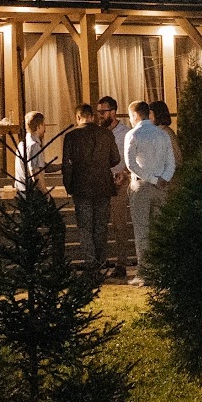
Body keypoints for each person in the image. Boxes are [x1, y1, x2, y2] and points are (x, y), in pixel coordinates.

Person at [59, 103, 122, 278]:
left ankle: (91, 262)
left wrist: (68, 185)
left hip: (81, 187)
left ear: (78, 117)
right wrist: (102, 165)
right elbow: (116, 159)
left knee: (85, 226)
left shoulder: (71, 136)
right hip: (103, 186)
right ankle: (101, 261)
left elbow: (66, 165)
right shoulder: (106, 134)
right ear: (92, 117)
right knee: (101, 225)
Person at [122, 100, 178, 285]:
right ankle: (161, 269)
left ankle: (145, 272)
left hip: (142, 185)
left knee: (142, 230)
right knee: (160, 229)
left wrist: (152, 179)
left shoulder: (133, 134)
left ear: (136, 115)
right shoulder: (162, 134)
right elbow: (171, 161)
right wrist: (164, 178)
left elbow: (131, 164)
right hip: (162, 186)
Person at [13, 110, 50, 192]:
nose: (45, 129)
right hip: (32, 193)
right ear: (39, 126)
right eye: (44, 125)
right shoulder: (34, 146)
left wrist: (61, 166)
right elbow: (35, 172)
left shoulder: (22, 144)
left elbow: (40, 165)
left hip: (21, 191)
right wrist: (45, 192)